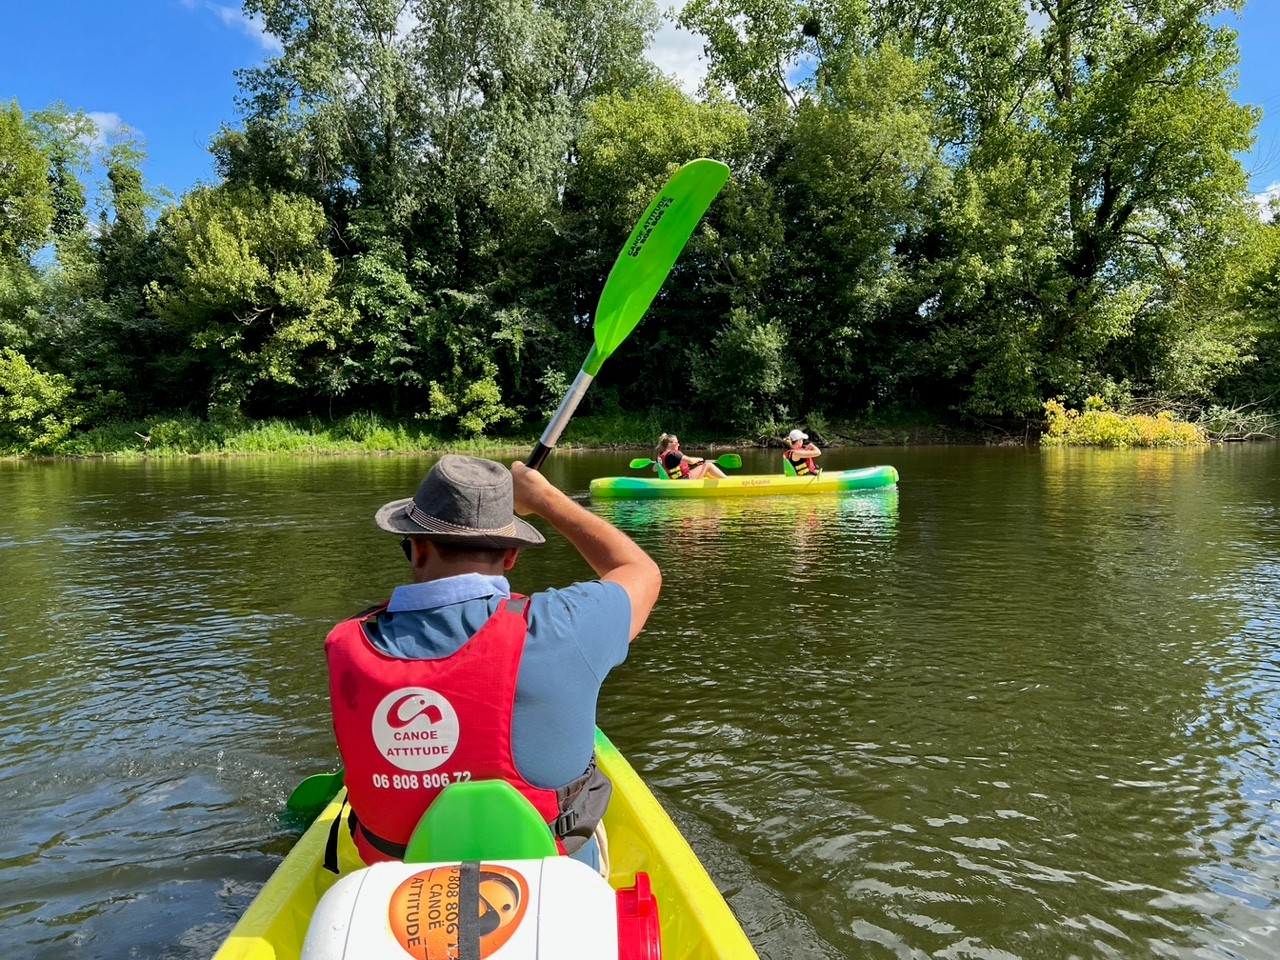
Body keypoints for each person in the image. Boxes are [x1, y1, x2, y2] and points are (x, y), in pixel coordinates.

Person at [323, 454, 661, 874]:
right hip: (547, 877)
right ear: (512, 556)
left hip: (394, 883)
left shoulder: (346, 644)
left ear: (416, 548)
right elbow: (639, 569)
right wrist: (542, 496)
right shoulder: (563, 625)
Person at [655, 433, 728, 480]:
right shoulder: (674, 454)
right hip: (683, 481)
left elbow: (655, 469)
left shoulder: (660, 456)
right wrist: (702, 459)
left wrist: (697, 463)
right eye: (677, 442)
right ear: (670, 444)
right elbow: (690, 460)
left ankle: (719, 484)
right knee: (708, 465)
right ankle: (728, 482)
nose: (679, 444)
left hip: (674, 481)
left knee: (706, 472)